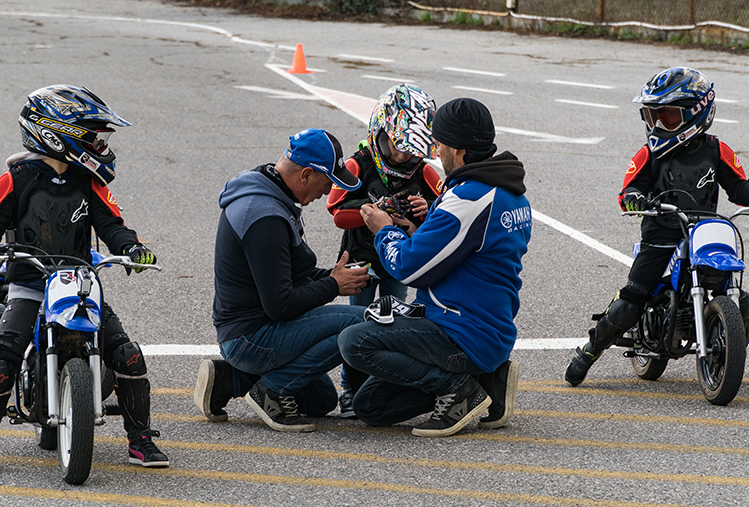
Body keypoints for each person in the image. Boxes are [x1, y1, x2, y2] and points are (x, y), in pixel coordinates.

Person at [0, 84, 166, 474]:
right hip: (30, 284)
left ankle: (141, 440)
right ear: (55, 132)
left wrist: (133, 248)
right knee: (0, 362)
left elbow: (112, 225)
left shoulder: (90, 182)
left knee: (128, 354)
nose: (98, 144)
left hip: (78, 282)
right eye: (91, 135)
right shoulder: (15, 179)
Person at [564, 67, 749, 386]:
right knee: (630, 301)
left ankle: (726, 352)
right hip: (661, 236)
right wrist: (636, 198)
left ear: (696, 114)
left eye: (666, 116)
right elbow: (629, 191)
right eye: (652, 116)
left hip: (705, 235)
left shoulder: (716, 150)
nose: (657, 124)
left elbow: (738, 185)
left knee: (741, 299)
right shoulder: (649, 154)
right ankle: (589, 351)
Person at [338, 98, 531, 437]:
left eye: (438, 142)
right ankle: (488, 381)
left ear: (456, 147)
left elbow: (408, 268)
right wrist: (416, 230)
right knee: (371, 406)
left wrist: (384, 229)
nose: (435, 150)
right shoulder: (510, 193)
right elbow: (468, 253)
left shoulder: (470, 198)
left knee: (355, 341)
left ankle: (460, 390)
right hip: (487, 327)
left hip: (462, 332)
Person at [194, 128, 370, 433]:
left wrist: (333, 275)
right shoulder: (265, 217)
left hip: (252, 328)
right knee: (360, 324)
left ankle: (231, 378)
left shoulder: (270, 191)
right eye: (327, 182)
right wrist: (333, 285)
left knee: (321, 402)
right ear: (305, 175)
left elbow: (289, 276)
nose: (327, 192)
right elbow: (281, 305)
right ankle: (272, 392)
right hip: (250, 337)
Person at [326, 84, 442, 418]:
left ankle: (379, 384)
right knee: (358, 321)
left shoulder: (425, 170)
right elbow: (337, 211)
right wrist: (376, 207)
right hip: (360, 262)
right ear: (380, 133)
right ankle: (350, 389)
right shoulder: (358, 163)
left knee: (391, 321)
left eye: (410, 149)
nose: (403, 156)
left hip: (398, 260)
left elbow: (447, 209)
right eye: (397, 147)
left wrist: (426, 209)